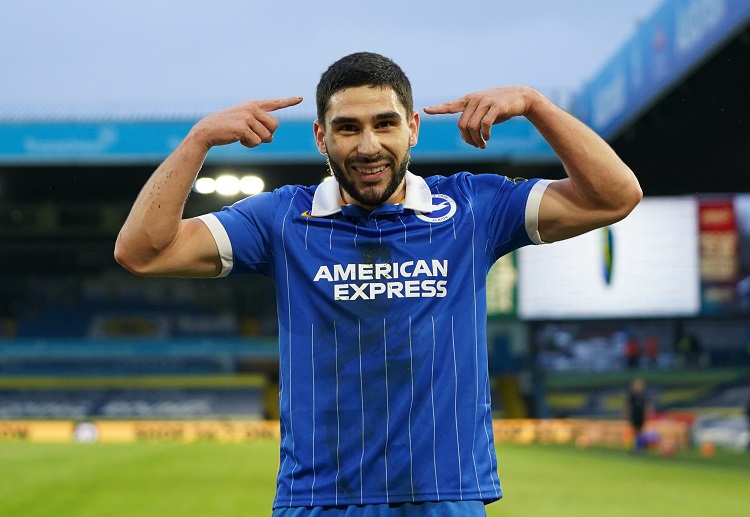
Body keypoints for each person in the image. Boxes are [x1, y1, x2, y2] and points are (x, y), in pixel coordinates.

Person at [114, 52, 642, 516]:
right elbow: (142, 251)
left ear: (412, 127)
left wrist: (536, 105)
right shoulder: (281, 219)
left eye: (385, 124)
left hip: (446, 494)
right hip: (319, 498)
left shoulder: (472, 208)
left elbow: (613, 196)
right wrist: (199, 139)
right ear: (321, 136)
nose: (368, 146)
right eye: (347, 128)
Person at [626, 377, 650, 452]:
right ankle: (636, 447)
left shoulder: (644, 395)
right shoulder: (632, 395)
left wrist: (648, 412)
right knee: (635, 431)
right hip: (634, 415)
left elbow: (647, 405)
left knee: (641, 431)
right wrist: (627, 414)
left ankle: (640, 446)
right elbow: (628, 406)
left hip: (641, 415)